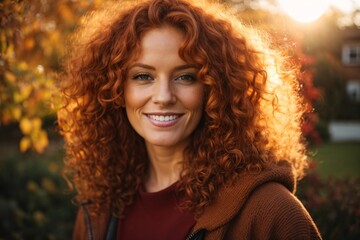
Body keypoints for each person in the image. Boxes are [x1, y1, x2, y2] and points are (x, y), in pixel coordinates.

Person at [57, 0, 322, 239]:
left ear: (216, 88)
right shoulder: (99, 209)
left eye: (185, 76)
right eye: (143, 76)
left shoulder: (270, 212)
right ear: (114, 89)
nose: (163, 96)